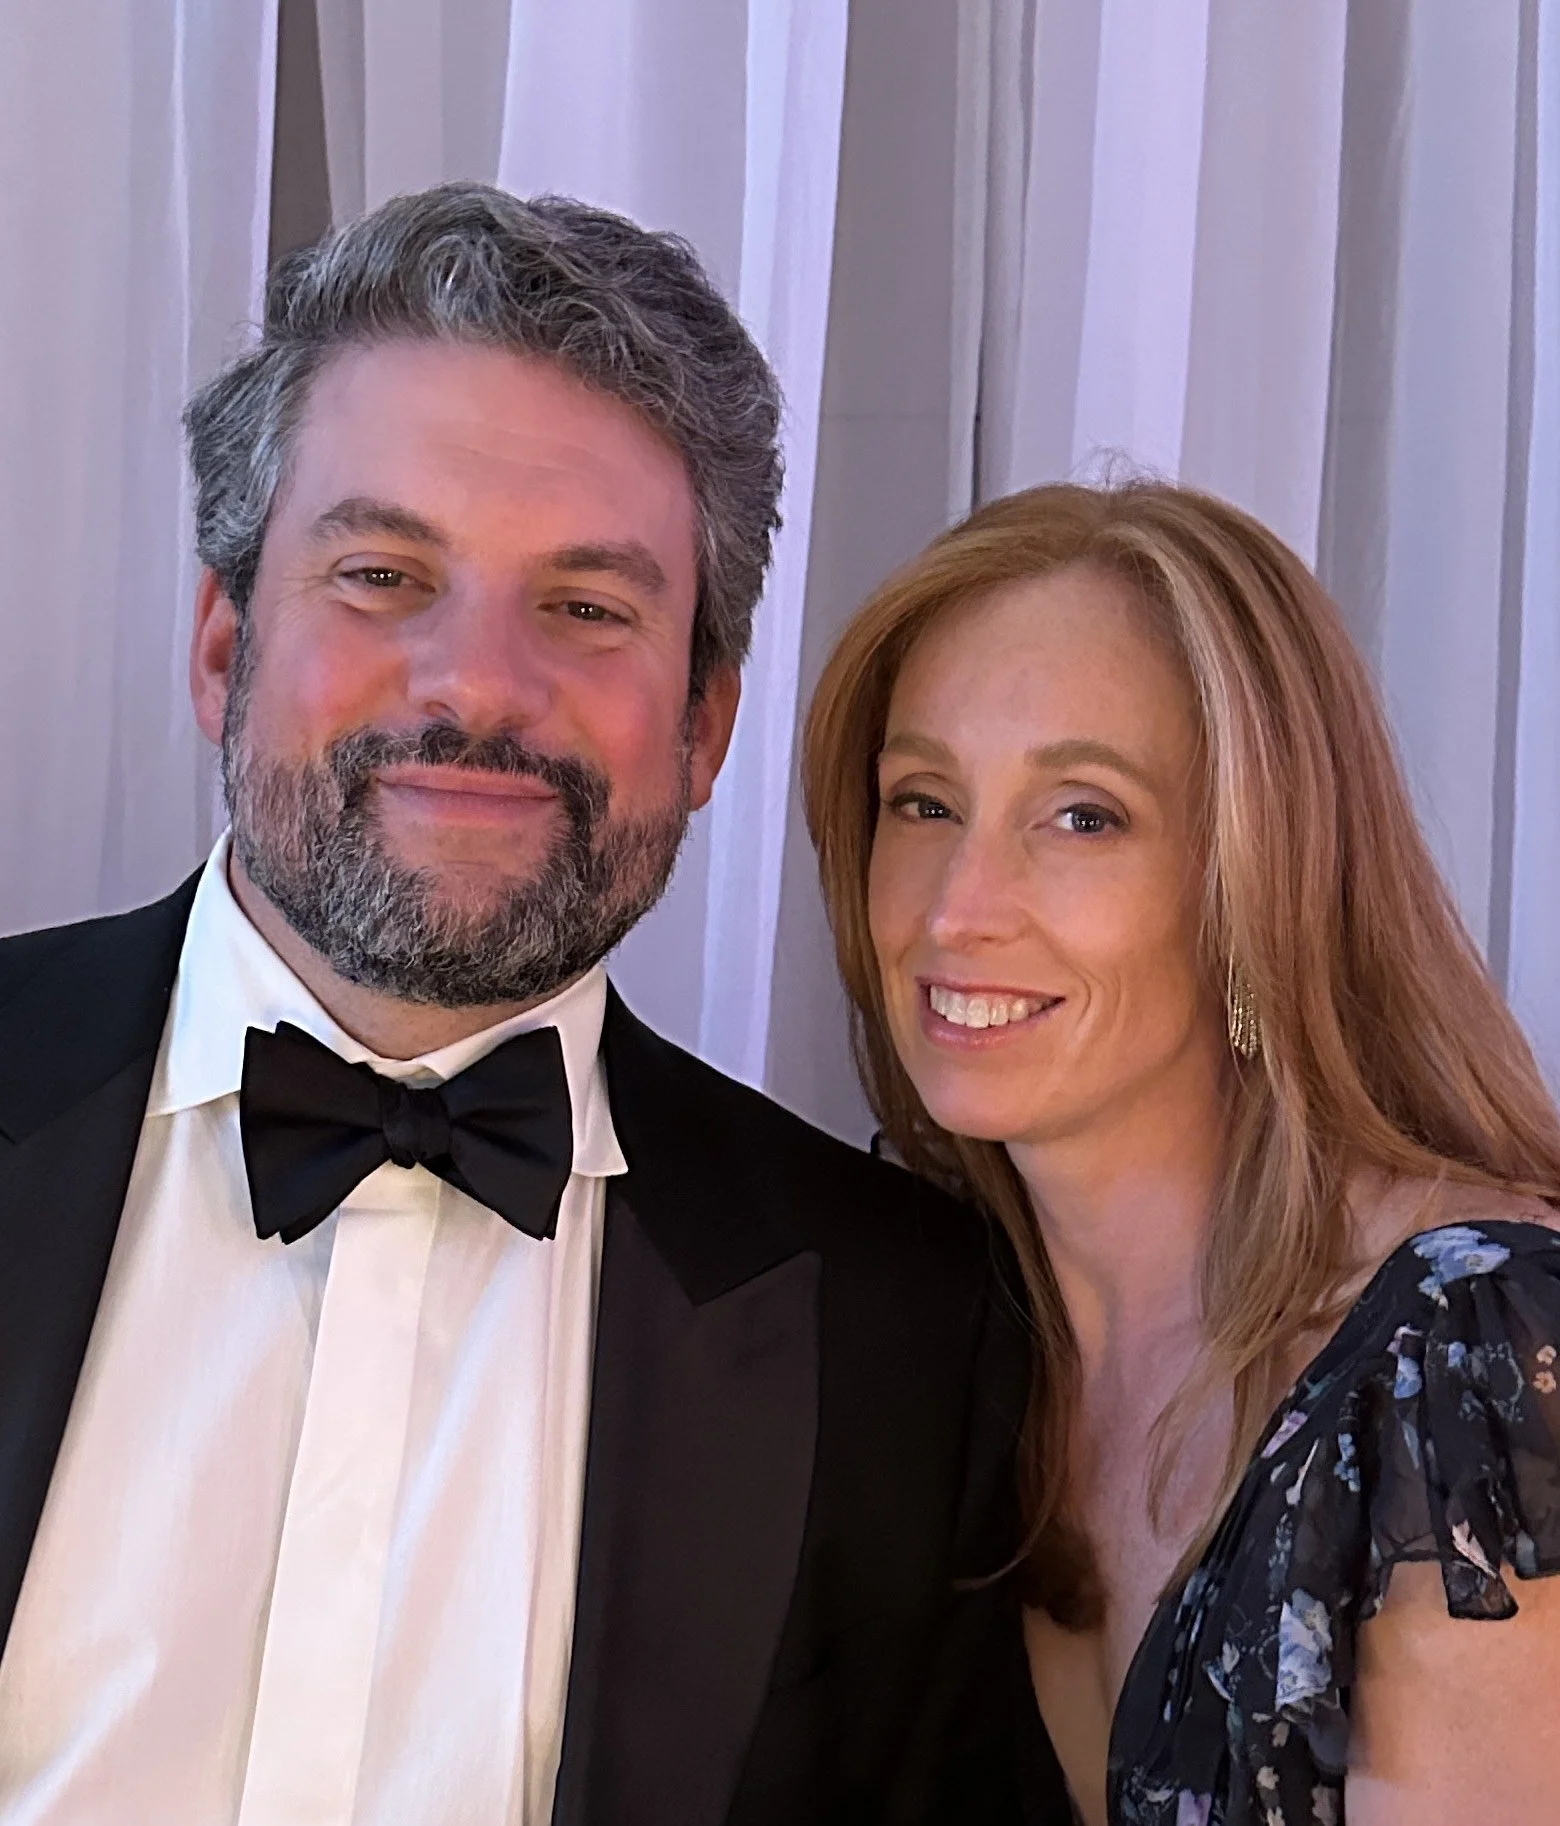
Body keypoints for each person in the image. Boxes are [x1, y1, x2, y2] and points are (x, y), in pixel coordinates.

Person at [0, 183, 1052, 1826]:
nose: (479, 681)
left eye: (585, 607)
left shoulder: (908, 1337)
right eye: (380, 572)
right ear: (222, 647)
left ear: (703, 725)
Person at [802, 480, 1560, 1826]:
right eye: (923, 802)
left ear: (1258, 882)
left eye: (1082, 815)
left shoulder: (1478, 1355)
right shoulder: (934, 1330)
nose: (957, 909)